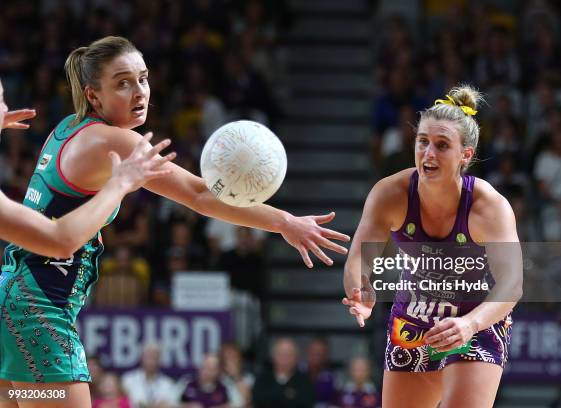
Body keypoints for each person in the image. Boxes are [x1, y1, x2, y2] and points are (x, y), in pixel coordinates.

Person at [0, 35, 349, 407]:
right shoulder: (114, 142)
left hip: (12, 300)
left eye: (143, 78)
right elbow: (199, 195)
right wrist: (284, 222)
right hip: (39, 312)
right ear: (93, 95)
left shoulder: (67, 127)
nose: (140, 92)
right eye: (123, 83)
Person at [342, 85, 522, 408]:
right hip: (413, 321)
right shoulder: (390, 194)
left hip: (474, 320)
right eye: (422, 142)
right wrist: (360, 289)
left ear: (465, 155)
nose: (428, 154)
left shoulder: (489, 206)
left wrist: (470, 324)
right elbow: (359, 259)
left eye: (442, 146)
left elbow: (513, 284)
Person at [0, 80, 175, 258]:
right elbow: (61, 242)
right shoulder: (95, 134)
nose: (6, 108)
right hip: (36, 284)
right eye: (0, 100)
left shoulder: (75, 126)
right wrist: (120, 184)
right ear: (93, 95)